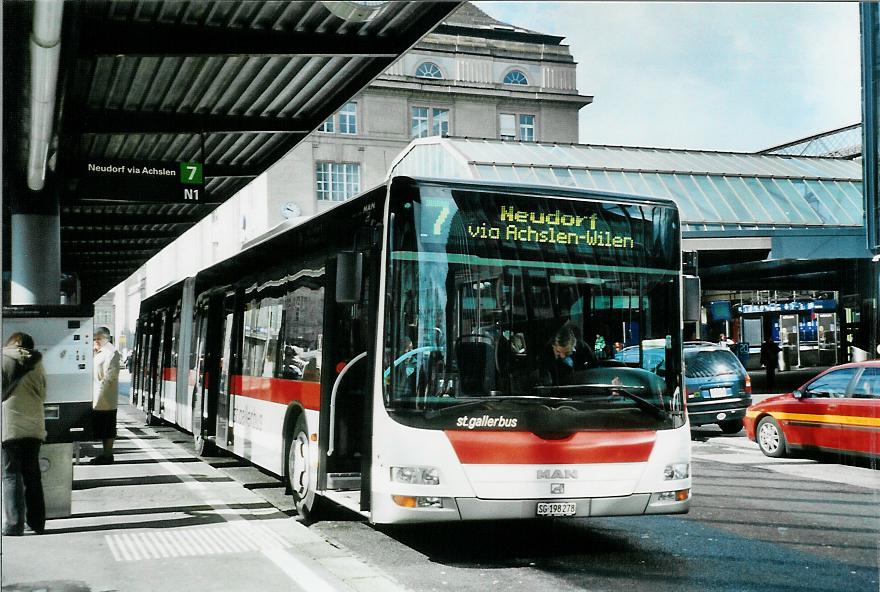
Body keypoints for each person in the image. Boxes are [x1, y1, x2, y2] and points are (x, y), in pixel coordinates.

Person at [2, 332, 47, 536]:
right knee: (33, 476)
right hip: (34, 427)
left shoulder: (3, 361)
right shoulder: (38, 363)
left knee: (11, 475)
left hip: (9, 427)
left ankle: (14, 525)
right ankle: (37, 523)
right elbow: (44, 393)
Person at [91, 326, 121, 464]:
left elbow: (110, 377)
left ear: (105, 338)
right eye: (94, 339)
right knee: (102, 427)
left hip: (105, 397)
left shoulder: (111, 352)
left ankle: (108, 455)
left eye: (98, 339)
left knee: (108, 427)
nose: (95, 341)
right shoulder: (98, 351)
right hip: (96, 395)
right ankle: (105, 454)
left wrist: (100, 396)